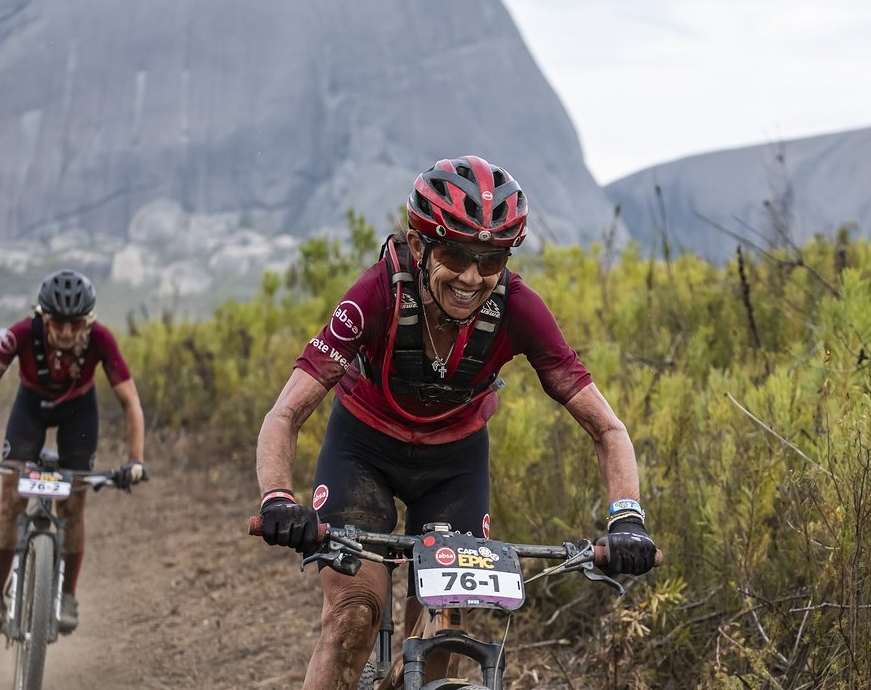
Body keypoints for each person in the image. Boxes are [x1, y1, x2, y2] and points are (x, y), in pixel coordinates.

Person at [254, 156, 659, 688]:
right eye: (454, 254)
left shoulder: (518, 310)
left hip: (454, 467)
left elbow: (607, 428)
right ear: (420, 247)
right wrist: (279, 499)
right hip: (362, 453)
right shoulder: (376, 294)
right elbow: (286, 411)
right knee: (353, 616)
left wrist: (626, 518)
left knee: (441, 636)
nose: (471, 278)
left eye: (491, 261)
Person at [0, 269, 146, 635]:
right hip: (30, 409)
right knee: (10, 496)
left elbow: (130, 400)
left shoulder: (102, 339)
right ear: (42, 316)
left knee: (74, 503)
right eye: (57, 323)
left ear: (88, 322)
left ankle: (67, 594)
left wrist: (135, 460)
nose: (67, 332)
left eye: (75, 324)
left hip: (78, 413)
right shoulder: (20, 334)